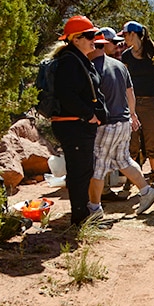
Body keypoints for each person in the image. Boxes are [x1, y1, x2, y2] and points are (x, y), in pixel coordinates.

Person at [87, 28, 154, 217]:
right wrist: (132, 114)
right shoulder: (119, 66)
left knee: (97, 167)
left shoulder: (92, 68)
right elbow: (130, 92)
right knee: (123, 160)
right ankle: (146, 191)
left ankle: (94, 208)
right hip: (123, 122)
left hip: (107, 124)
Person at [49, 16, 107, 226]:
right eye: (90, 35)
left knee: (83, 170)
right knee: (79, 172)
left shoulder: (76, 59)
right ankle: (79, 218)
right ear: (76, 39)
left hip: (78, 125)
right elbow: (68, 95)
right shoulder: (70, 62)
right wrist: (89, 115)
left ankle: (81, 216)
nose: (95, 39)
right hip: (73, 125)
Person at [120, 20, 154, 186]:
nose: (124, 38)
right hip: (131, 103)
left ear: (134, 34)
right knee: (132, 140)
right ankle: (132, 175)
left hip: (150, 101)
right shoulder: (126, 55)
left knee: (152, 136)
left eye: (125, 35)